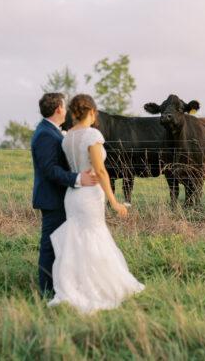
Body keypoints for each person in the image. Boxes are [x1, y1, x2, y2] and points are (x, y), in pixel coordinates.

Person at [48, 94, 144, 313]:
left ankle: (76, 285)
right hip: (90, 194)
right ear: (91, 111)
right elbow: (100, 170)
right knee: (94, 237)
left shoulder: (67, 136)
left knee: (78, 240)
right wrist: (114, 201)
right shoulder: (92, 134)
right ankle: (97, 287)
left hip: (72, 195)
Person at [31, 93, 99, 296]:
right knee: (50, 245)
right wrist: (78, 179)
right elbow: (50, 169)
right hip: (52, 198)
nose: (68, 110)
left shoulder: (52, 131)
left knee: (63, 244)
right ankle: (45, 291)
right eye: (65, 105)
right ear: (59, 108)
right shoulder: (45, 134)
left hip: (64, 198)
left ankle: (63, 285)